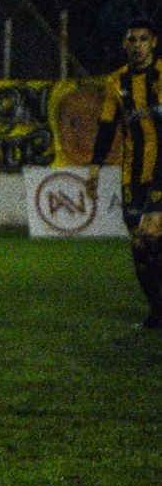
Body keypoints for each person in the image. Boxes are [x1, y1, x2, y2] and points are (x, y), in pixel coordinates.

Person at [86, 17, 162, 329]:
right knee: (139, 246)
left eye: (143, 39)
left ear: (153, 43)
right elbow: (106, 128)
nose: (137, 45)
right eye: (132, 40)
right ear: (124, 44)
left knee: (154, 237)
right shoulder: (116, 83)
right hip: (133, 176)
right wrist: (94, 167)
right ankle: (157, 313)